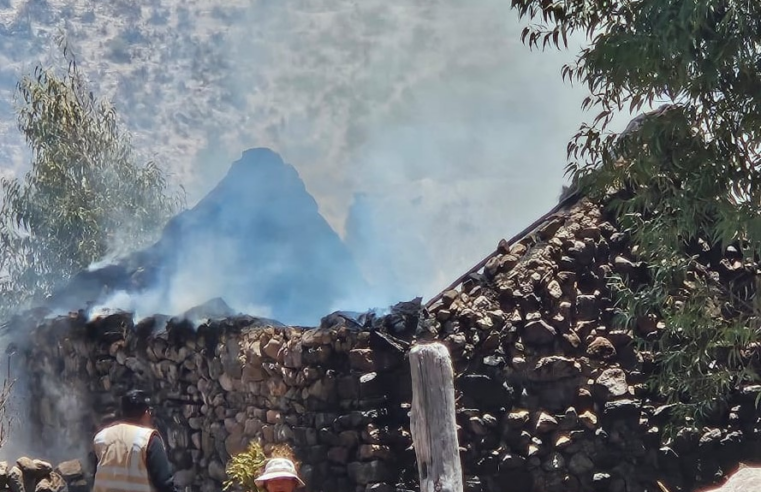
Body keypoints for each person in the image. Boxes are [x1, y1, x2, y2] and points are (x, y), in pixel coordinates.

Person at [91, 389, 177, 492]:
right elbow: (165, 484)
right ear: (146, 413)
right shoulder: (148, 439)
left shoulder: (101, 437)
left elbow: (97, 476)